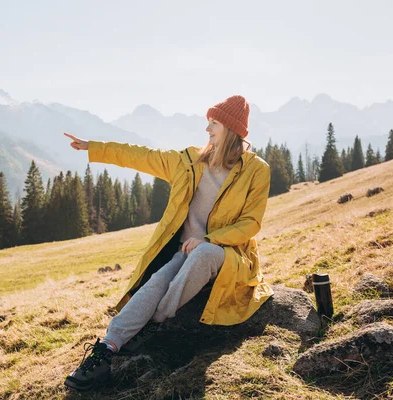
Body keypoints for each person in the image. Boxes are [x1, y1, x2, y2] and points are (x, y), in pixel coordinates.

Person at [62, 95, 273, 392]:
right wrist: (94, 147)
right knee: (157, 281)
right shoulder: (188, 161)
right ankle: (107, 348)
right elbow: (142, 156)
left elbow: (251, 223)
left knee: (204, 254)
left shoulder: (255, 170)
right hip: (185, 251)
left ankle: (155, 321)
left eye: (213, 123)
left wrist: (209, 239)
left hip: (228, 254)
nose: (207, 129)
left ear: (229, 128)